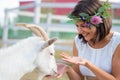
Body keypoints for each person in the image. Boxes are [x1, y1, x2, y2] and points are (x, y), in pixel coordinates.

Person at [49, 0, 120, 80]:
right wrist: (67, 69)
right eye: (77, 26)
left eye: (83, 26)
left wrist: (88, 64)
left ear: (98, 22)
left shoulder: (117, 42)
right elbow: (79, 78)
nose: (79, 31)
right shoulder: (79, 42)